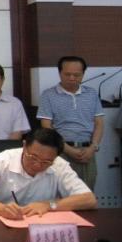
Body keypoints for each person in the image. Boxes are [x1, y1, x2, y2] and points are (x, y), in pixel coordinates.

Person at [0, 128, 97, 220]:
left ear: (55, 157)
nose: (37, 165)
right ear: (24, 145)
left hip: (43, 227)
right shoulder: (1, 161)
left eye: (46, 162)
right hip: (3, 223)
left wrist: (49, 205)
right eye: (33, 157)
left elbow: (89, 199)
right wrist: (0, 208)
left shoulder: (59, 164)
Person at [37, 56, 104, 190]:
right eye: (67, 74)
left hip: (87, 151)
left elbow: (99, 123)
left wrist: (93, 147)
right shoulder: (48, 95)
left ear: (83, 74)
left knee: (86, 193)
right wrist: (67, 149)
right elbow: (46, 126)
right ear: (59, 73)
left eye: (76, 75)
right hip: (60, 151)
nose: (72, 78)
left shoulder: (91, 94)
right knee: (60, 192)